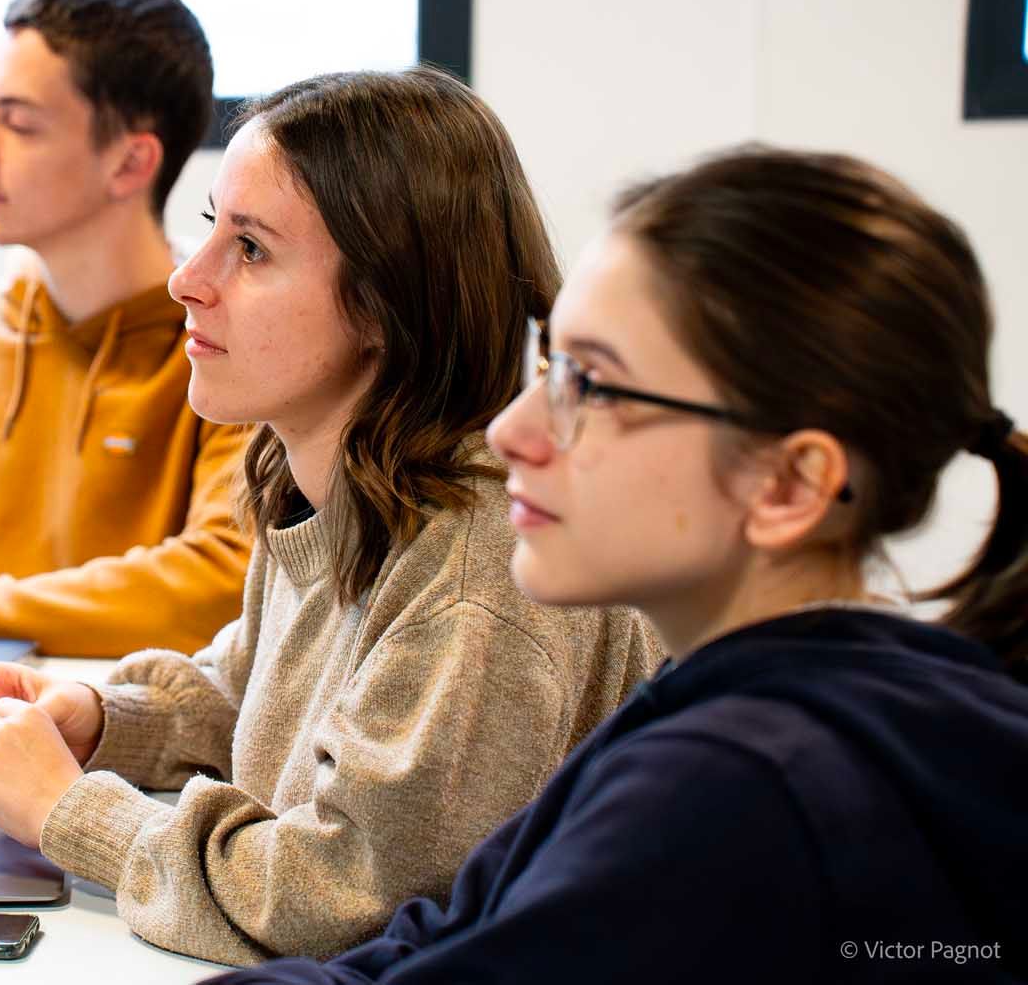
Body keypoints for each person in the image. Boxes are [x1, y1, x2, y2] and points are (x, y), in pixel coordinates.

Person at [204, 146, 1028, 983]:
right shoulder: (742, 705)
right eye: (549, 365)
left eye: (592, 386)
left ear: (789, 484)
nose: (513, 431)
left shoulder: (734, 791)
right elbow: (449, 938)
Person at [0, 67, 661, 966]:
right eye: (211, 229)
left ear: (387, 305)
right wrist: (103, 719)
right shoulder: (335, 476)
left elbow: (341, 900)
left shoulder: (477, 579)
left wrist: (68, 810)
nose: (186, 280)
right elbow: (260, 691)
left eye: (251, 249)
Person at [0, 0, 251, 657]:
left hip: (116, 720)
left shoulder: (230, 352)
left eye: (19, 124)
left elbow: (223, 586)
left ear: (131, 161)